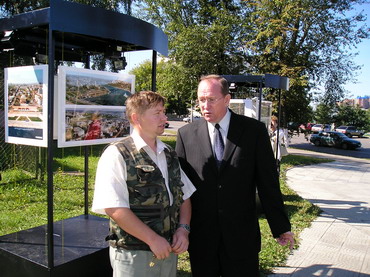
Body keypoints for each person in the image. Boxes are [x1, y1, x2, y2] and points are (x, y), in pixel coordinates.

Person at [176, 75, 294, 276]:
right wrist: (180, 228)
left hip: (241, 237)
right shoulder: (186, 134)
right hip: (202, 239)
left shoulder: (253, 131)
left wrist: (280, 226)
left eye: (211, 99)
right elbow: (180, 187)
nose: (205, 105)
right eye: (201, 100)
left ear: (227, 99)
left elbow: (268, 183)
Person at [92, 91, 196, 277]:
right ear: (136, 118)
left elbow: (185, 195)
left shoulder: (169, 153)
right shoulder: (117, 154)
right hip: (134, 254)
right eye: (157, 113)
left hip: (168, 250)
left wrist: (183, 229)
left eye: (164, 112)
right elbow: (114, 208)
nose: (164, 118)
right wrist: (153, 239)